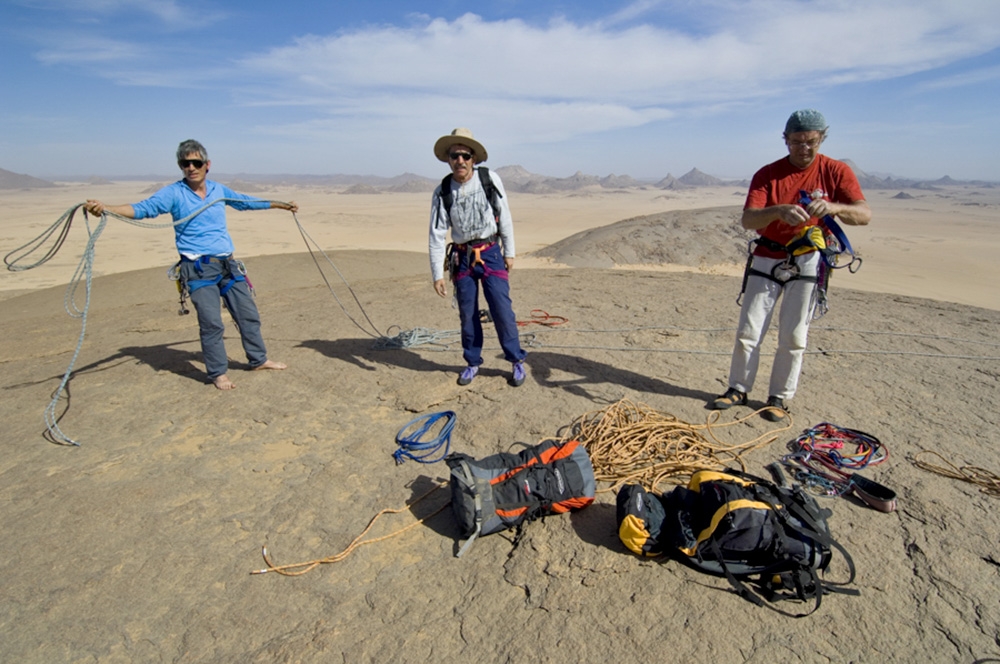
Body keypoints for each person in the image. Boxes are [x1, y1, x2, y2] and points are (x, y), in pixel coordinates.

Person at [84, 139, 296, 391]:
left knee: (248, 316)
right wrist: (105, 208)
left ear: (207, 165)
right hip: (199, 270)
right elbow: (144, 209)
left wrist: (281, 204)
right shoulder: (173, 193)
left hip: (228, 264)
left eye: (196, 162)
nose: (191, 167)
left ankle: (258, 359)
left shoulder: (218, 191)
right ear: (181, 166)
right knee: (212, 323)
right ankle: (218, 373)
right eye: (185, 163)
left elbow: (245, 202)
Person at [710, 110, 871, 420]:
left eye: (811, 141)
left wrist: (833, 207)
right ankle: (738, 389)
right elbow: (748, 219)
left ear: (822, 138)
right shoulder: (767, 174)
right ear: (785, 140)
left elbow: (864, 214)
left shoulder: (836, 172)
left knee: (794, 335)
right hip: (767, 256)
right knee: (749, 329)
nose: (804, 148)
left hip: (809, 259)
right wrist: (778, 211)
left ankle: (778, 399)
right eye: (796, 142)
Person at [428, 128, 528, 386]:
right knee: (467, 314)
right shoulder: (443, 191)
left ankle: (516, 360)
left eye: (465, 155)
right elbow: (437, 234)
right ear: (448, 159)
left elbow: (504, 214)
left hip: (491, 253)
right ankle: (472, 363)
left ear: (473, 158)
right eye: (454, 155)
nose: (460, 160)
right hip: (462, 258)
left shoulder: (489, 179)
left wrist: (510, 251)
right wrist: (437, 274)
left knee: (502, 309)